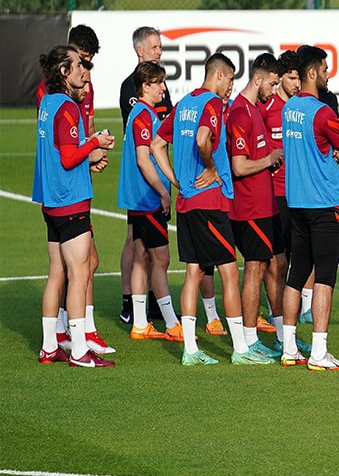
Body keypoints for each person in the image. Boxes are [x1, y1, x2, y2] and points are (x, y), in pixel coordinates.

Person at [151, 53, 265, 366]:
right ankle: (241, 349)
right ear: (218, 75)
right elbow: (204, 138)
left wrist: (175, 179)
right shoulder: (212, 104)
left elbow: (157, 145)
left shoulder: (184, 103)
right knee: (229, 272)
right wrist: (213, 166)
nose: (231, 86)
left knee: (192, 273)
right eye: (230, 79)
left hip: (187, 202)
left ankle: (190, 350)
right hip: (209, 202)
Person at [34, 45, 116, 368]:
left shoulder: (48, 104)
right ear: (64, 73)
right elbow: (68, 157)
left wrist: (88, 161)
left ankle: (49, 346)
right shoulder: (68, 108)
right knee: (80, 274)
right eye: (79, 65)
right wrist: (95, 144)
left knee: (57, 273)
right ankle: (79, 350)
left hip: (51, 202)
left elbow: (59, 153)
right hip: (70, 201)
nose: (85, 70)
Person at [278, 45, 339, 371]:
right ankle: (319, 352)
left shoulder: (288, 109)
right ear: (313, 72)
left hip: (295, 203)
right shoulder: (323, 113)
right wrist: (335, 152)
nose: (327, 75)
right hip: (323, 204)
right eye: (325, 69)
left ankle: (288, 348)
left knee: (296, 274)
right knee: (324, 276)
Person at [116, 61, 181, 342]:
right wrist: (164, 192)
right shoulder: (143, 116)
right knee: (161, 259)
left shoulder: (140, 115)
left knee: (142, 259)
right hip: (148, 201)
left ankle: (140, 323)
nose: (164, 88)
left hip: (138, 201)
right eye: (159, 83)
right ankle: (171, 322)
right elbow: (144, 160)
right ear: (146, 86)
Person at [227, 53, 285, 360]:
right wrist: (269, 159)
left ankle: (280, 336)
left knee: (272, 266)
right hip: (249, 208)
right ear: (258, 79)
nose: (274, 91)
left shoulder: (254, 110)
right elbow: (238, 166)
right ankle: (248, 343)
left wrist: (268, 161)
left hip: (265, 205)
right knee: (254, 268)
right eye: (273, 84)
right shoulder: (239, 113)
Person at [260, 50, 313, 336]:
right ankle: (274, 315)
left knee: (297, 260)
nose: (296, 83)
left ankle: (290, 318)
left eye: (298, 78)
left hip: (298, 195)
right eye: (291, 78)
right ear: (280, 79)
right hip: (274, 196)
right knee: (275, 262)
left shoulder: (299, 110)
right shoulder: (266, 110)